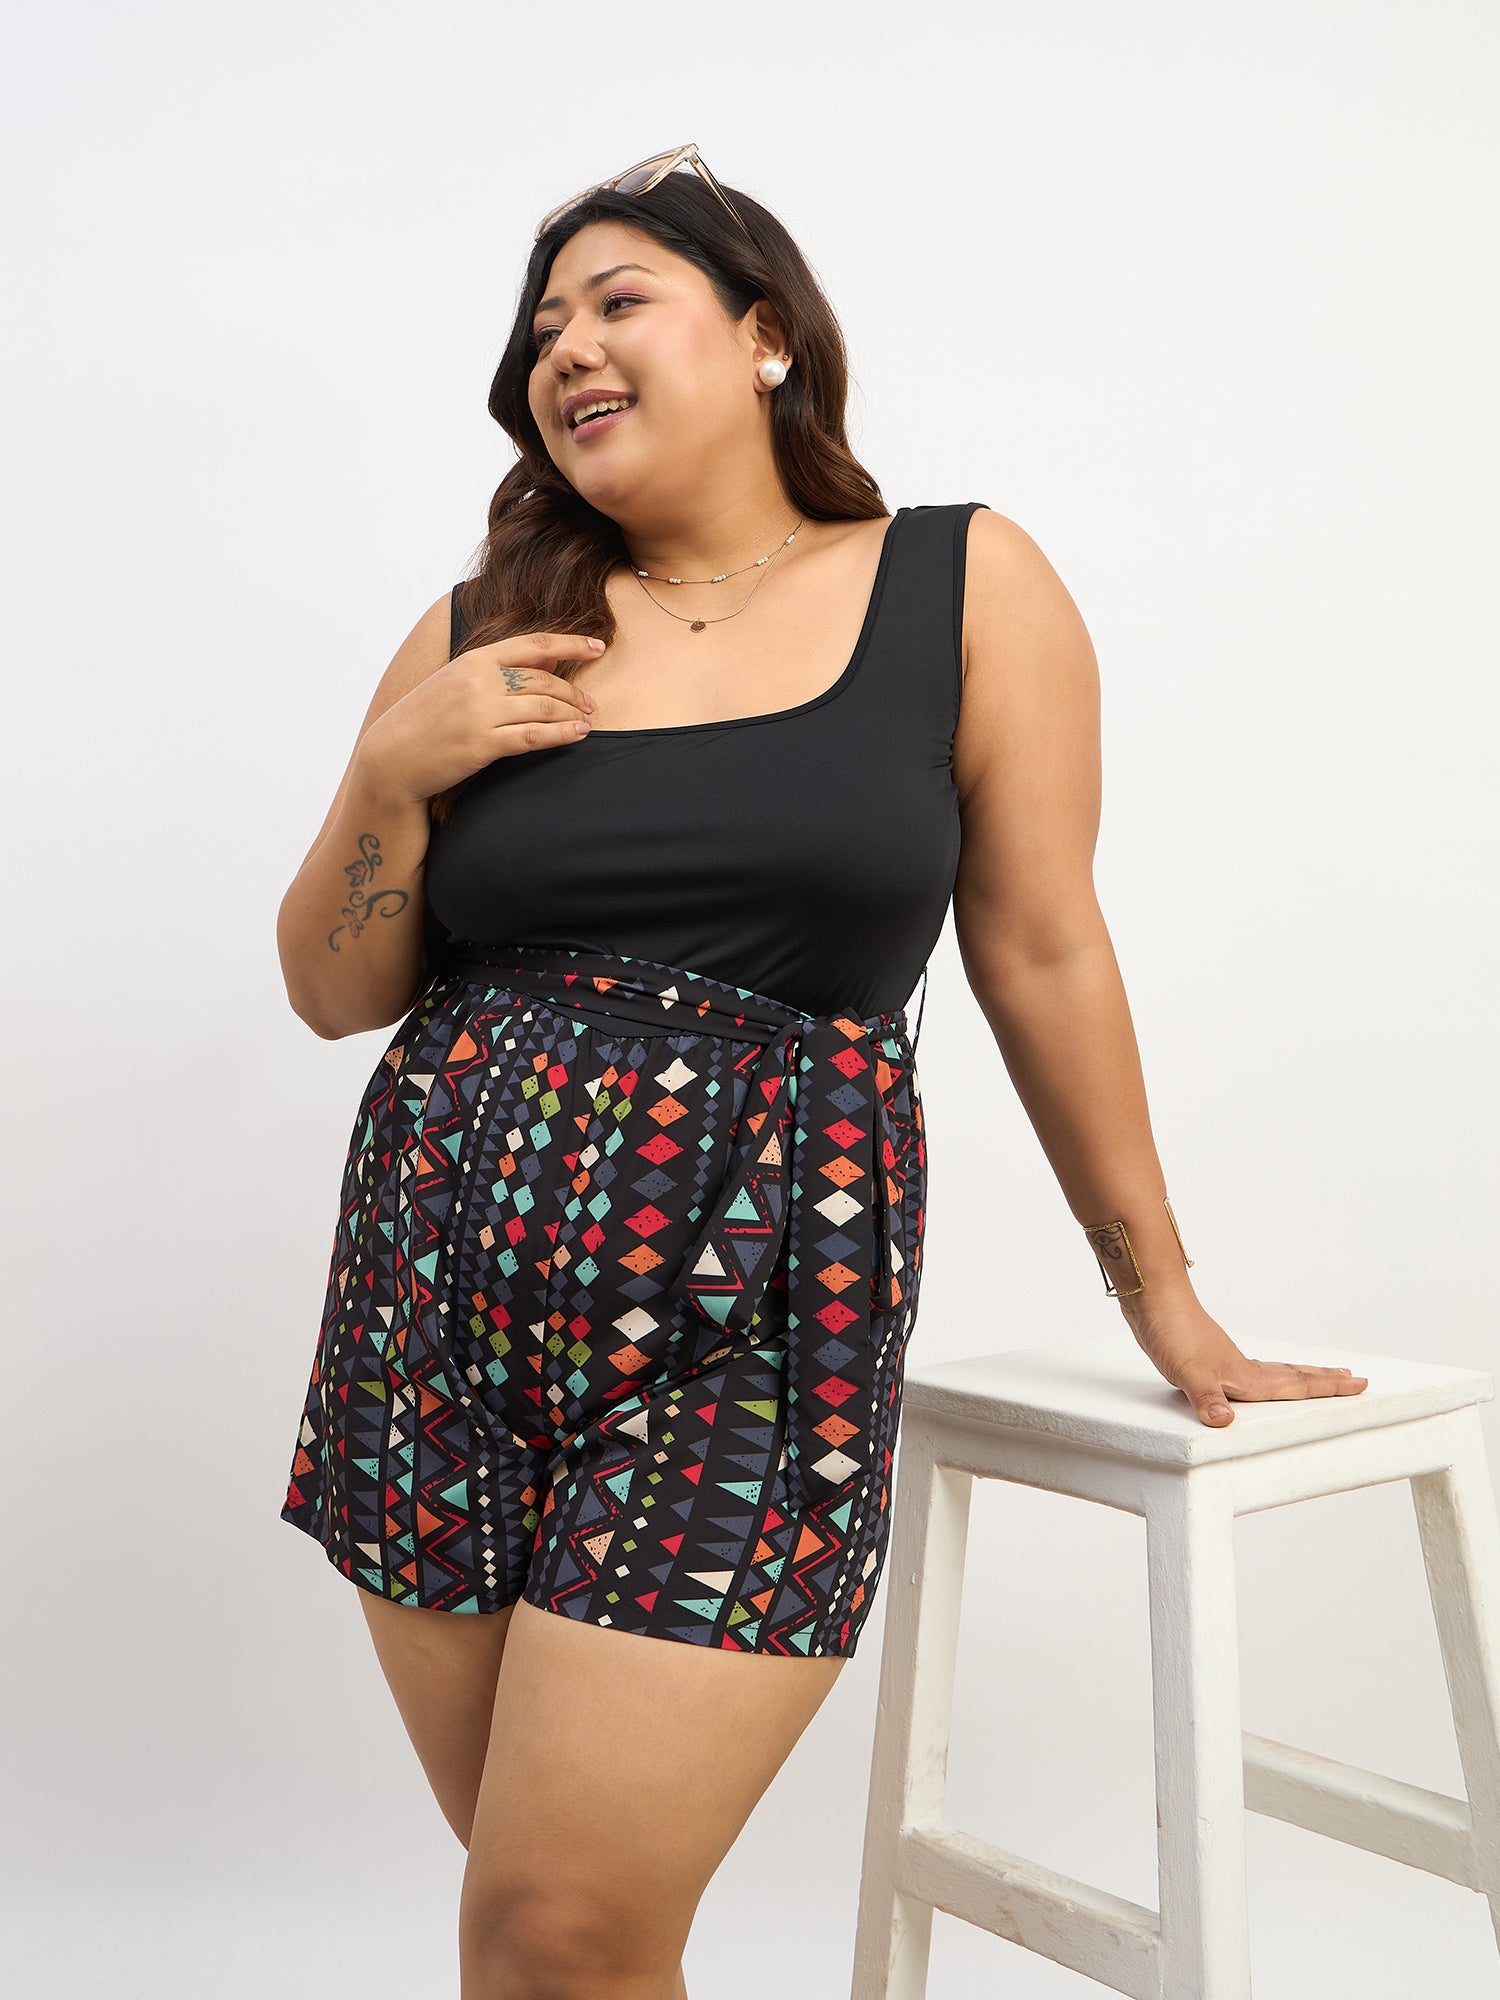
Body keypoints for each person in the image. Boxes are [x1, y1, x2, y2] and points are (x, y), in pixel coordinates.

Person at [274, 146, 1368, 2000]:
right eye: (542, 330)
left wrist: (1161, 1294)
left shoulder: (959, 580)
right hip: (433, 1314)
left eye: (619, 301)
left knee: (562, 1924)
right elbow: (330, 988)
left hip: (756, 1319)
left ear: (767, 332)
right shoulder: (480, 633)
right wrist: (391, 771)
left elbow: (1042, 948)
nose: (568, 348)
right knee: (546, 1938)